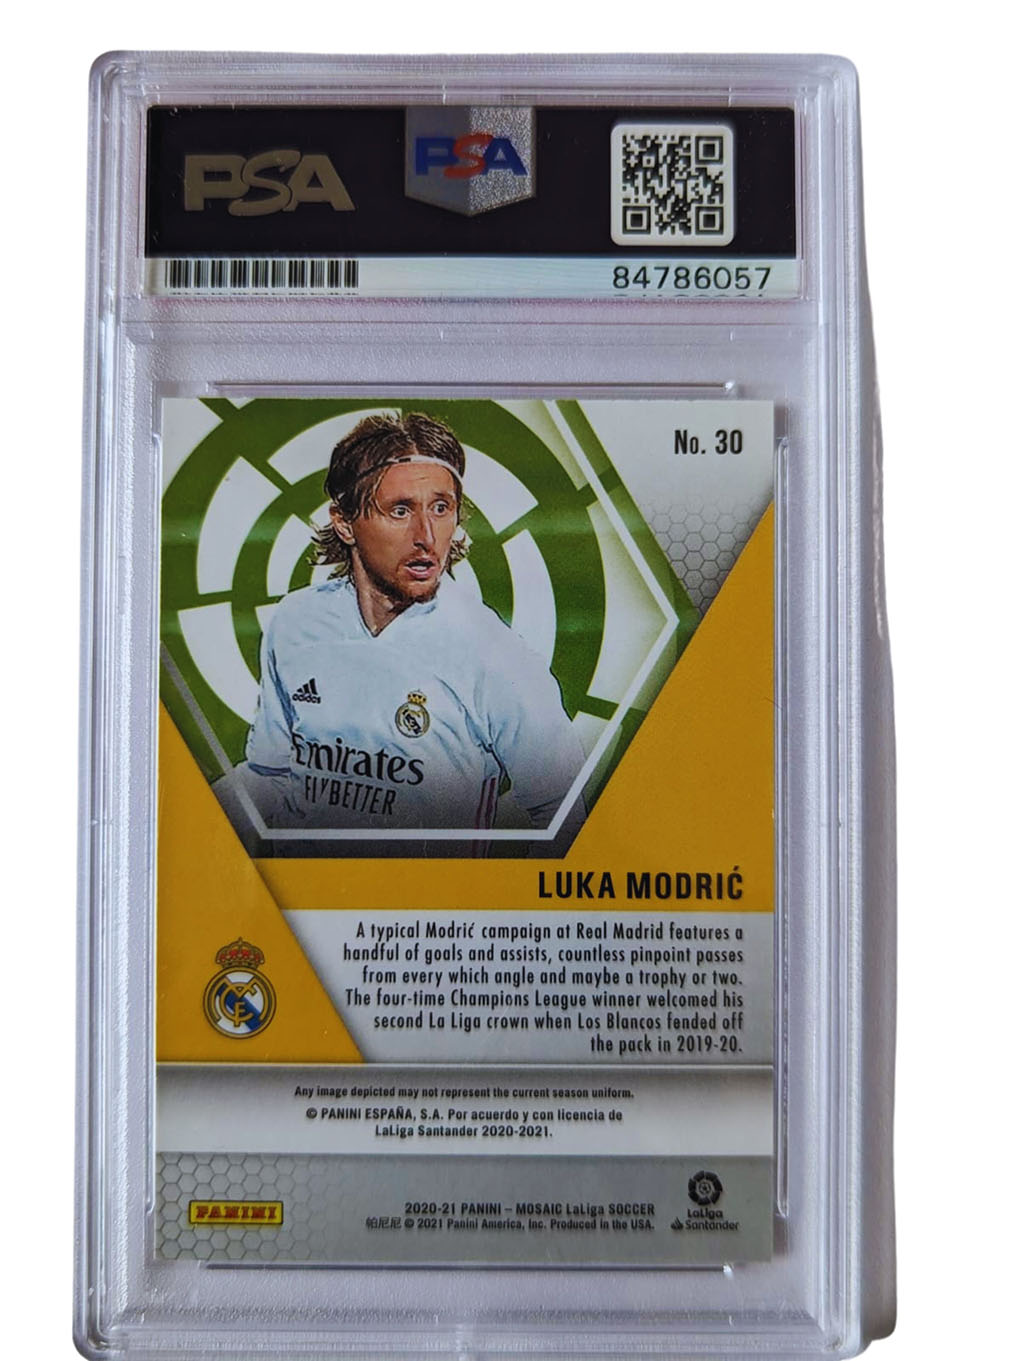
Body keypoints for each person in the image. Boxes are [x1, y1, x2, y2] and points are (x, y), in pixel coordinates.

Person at [239, 411, 585, 847]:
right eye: (400, 510)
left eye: (441, 508)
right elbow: (268, 774)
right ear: (344, 522)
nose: (427, 536)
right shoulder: (296, 622)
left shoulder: (493, 655)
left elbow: (565, 816)